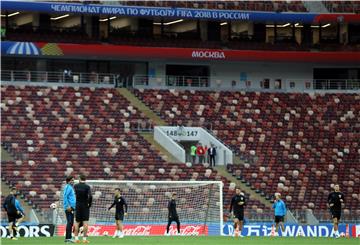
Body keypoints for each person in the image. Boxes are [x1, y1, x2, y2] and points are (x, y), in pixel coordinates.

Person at [74, 174, 92, 244]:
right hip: (85, 206)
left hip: (78, 205)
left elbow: (73, 195)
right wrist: (89, 204)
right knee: (85, 223)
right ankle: (84, 239)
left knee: (77, 222)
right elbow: (90, 196)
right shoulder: (87, 187)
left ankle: (76, 238)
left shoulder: (75, 186)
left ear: (79, 179)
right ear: (85, 179)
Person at [63, 176, 76, 243]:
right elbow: (65, 196)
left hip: (72, 207)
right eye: (71, 180)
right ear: (68, 181)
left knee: (71, 223)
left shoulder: (70, 187)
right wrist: (67, 206)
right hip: (69, 208)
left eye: (73, 180)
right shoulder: (68, 187)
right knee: (70, 222)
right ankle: (68, 238)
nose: (73, 181)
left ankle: (68, 238)